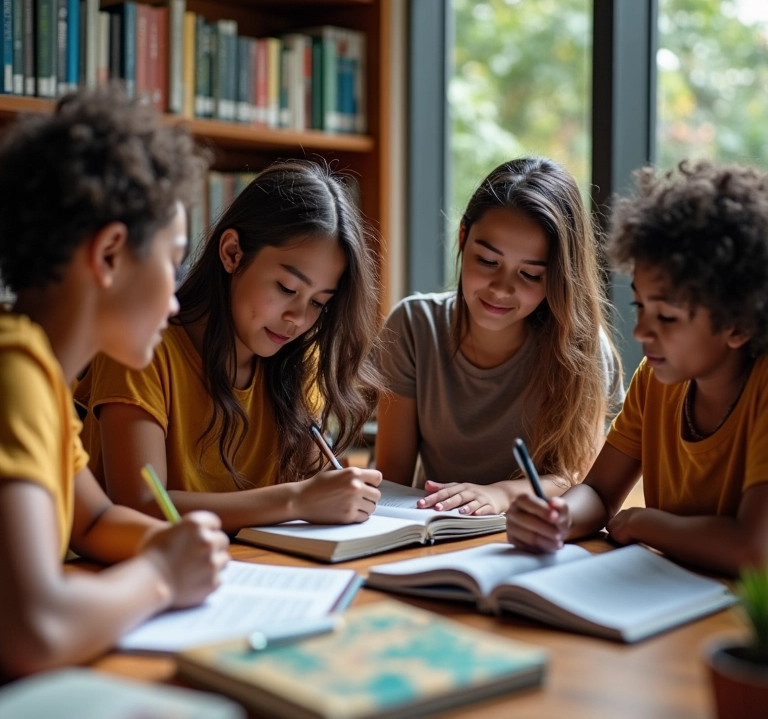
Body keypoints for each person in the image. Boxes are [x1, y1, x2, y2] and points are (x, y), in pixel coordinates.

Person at [0, 86, 230, 677]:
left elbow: (95, 520)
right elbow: (34, 632)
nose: (176, 302)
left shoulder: (40, 375)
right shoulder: (13, 371)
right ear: (108, 255)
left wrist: (170, 546)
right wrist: (161, 576)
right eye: (172, 260)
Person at [75, 159, 383, 533]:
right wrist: (297, 500)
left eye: (319, 302)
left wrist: (337, 496)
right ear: (233, 253)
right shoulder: (142, 351)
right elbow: (140, 505)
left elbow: (317, 492)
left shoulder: (298, 361)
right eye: (287, 288)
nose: (298, 319)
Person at [506, 160, 768, 576]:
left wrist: (646, 523)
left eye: (666, 317)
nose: (642, 330)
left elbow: (754, 551)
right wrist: (558, 517)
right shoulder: (656, 379)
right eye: (640, 305)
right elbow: (598, 491)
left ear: (738, 324)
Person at [375, 157, 622, 515]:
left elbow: (578, 479)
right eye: (488, 262)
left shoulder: (582, 348)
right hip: (432, 527)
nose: (502, 289)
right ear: (463, 237)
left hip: (531, 534)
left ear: (558, 277)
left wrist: (500, 494)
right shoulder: (414, 325)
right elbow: (392, 476)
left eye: (531, 275)